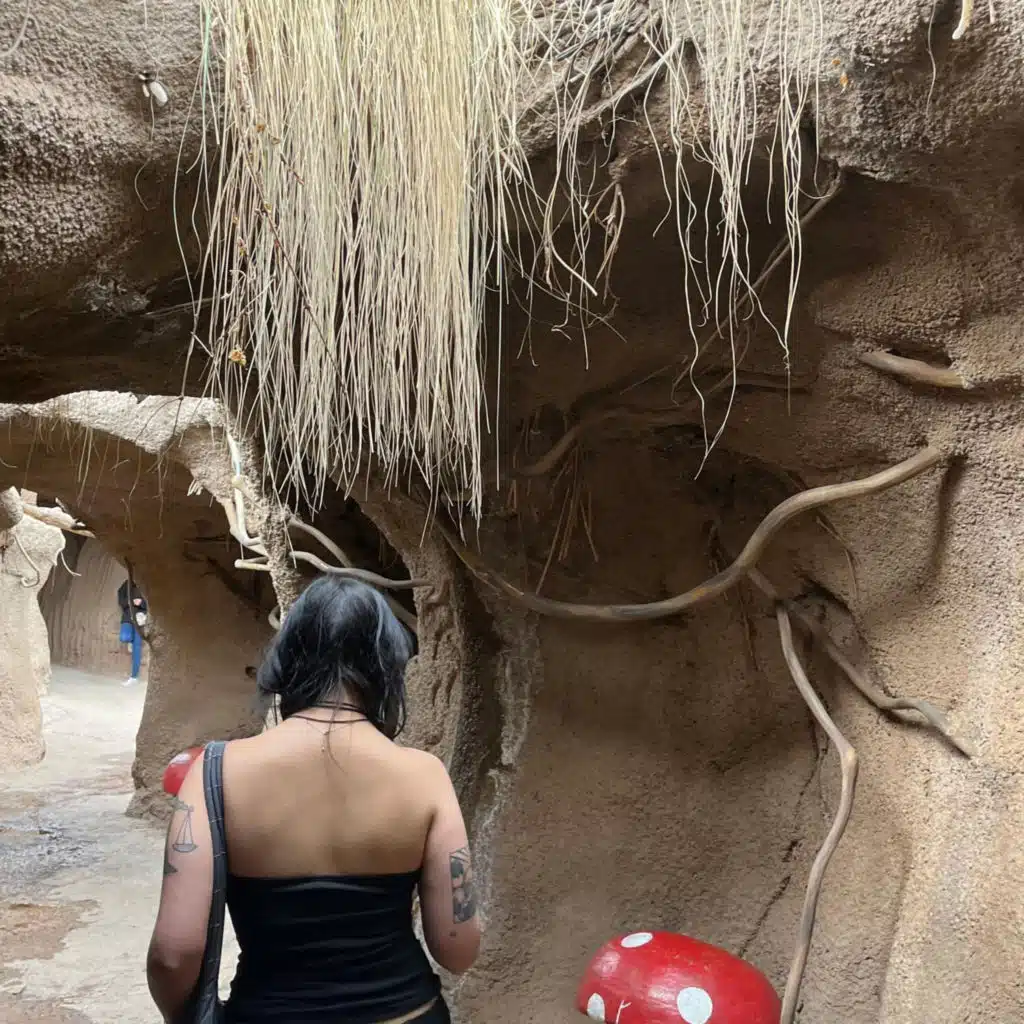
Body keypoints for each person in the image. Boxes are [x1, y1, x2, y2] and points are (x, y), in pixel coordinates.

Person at [146, 577, 481, 1024]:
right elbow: (458, 949)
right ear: (386, 667)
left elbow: (173, 956)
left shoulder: (216, 773)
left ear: (286, 659)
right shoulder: (425, 777)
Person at [117, 577, 147, 686]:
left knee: (137, 648)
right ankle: (130, 641)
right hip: (128, 617)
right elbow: (121, 599)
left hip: (140, 618)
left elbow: (153, 603)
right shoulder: (127, 583)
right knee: (124, 637)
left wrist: (141, 603)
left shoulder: (147, 583)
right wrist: (130, 602)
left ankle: (134, 677)